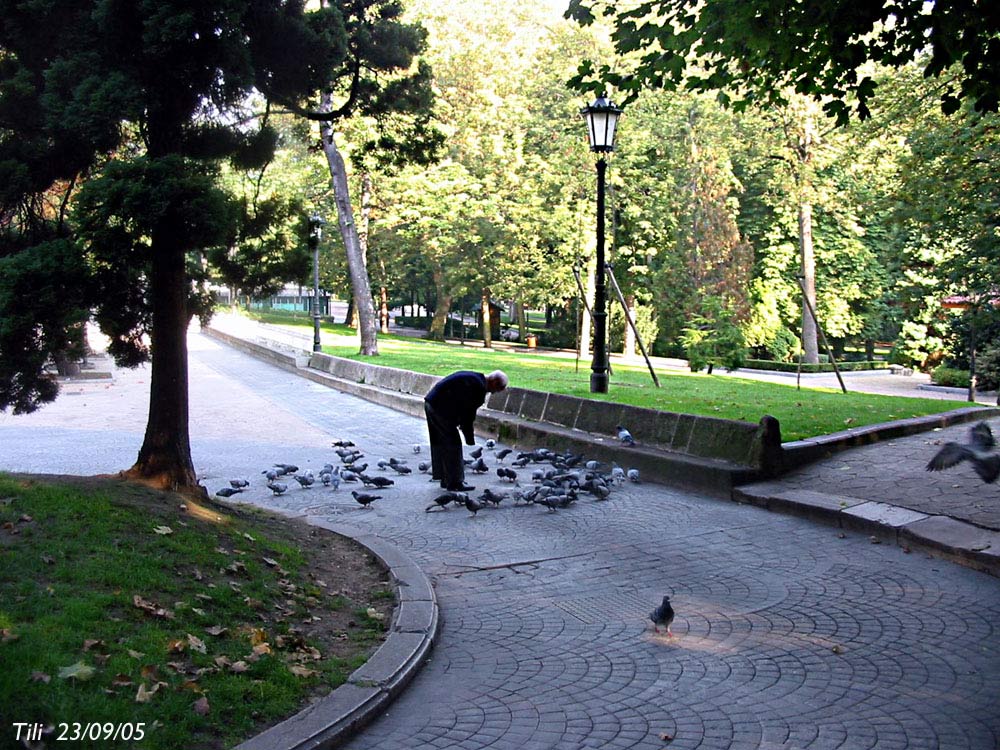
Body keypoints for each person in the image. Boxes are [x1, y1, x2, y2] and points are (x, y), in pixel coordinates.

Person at [424, 369, 509, 491]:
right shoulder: (478, 387)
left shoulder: (476, 378)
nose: (495, 393)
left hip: (432, 402)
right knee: (453, 445)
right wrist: (469, 438)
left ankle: (445, 479)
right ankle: (454, 483)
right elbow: (468, 416)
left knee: (440, 442)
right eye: (499, 389)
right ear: (494, 382)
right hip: (439, 408)